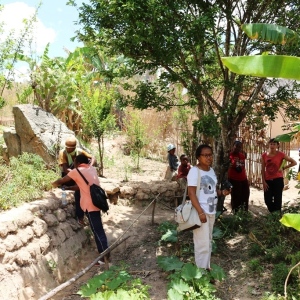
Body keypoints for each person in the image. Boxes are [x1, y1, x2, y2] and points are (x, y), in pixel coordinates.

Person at [52, 154, 109, 264]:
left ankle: (104, 257)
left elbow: (62, 180)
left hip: (90, 205)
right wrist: (69, 188)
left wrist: (50, 184)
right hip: (97, 202)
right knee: (98, 229)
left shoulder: (77, 171)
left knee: (97, 231)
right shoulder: (91, 169)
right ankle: (105, 253)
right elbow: (83, 185)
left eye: (75, 163)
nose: (74, 165)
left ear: (78, 163)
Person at [187, 144, 230, 269]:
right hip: (200, 212)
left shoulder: (211, 171)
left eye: (210, 155)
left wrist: (222, 193)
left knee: (208, 241)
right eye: (205, 155)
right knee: (202, 243)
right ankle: (201, 273)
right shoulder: (194, 171)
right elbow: (191, 193)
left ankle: (206, 267)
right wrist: (200, 212)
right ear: (198, 157)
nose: (209, 157)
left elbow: (212, 191)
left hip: (211, 211)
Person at [58, 136, 96, 226]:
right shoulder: (62, 153)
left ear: (74, 148)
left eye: (70, 148)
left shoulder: (79, 151)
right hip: (68, 177)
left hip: (79, 176)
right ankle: (80, 217)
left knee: (83, 192)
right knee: (78, 193)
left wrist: (89, 167)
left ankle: (86, 216)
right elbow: (65, 169)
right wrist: (78, 173)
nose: (68, 149)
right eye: (67, 147)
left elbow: (92, 158)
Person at [261, 138, 296, 213]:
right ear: (268, 145)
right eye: (271, 144)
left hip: (278, 180)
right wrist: (263, 181)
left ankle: (276, 218)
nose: (272, 145)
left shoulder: (281, 154)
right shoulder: (264, 155)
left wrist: (284, 168)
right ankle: (274, 214)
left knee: (277, 200)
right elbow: (262, 169)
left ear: (277, 145)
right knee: (267, 200)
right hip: (267, 181)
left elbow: (294, 162)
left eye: (274, 144)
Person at [228, 141, 250, 213]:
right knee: (236, 197)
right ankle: (236, 212)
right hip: (234, 179)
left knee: (245, 195)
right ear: (233, 146)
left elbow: (243, 165)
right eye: (236, 146)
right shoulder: (229, 155)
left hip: (243, 178)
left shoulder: (242, 155)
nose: (237, 148)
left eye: (239, 147)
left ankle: (244, 212)